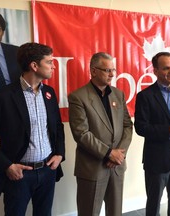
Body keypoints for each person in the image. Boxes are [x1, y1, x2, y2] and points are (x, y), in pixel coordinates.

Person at [0, 42, 65, 216]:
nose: (53, 66)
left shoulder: (49, 92)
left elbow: (57, 126)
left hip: (48, 171)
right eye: (49, 62)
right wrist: (7, 166)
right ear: (34, 65)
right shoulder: (2, 96)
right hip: (19, 176)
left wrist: (60, 154)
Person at [68, 52, 133, 216]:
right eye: (107, 70)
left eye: (113, 70)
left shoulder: (118, 94)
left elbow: (127, 126)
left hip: (116, 166)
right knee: (89, 212)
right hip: (92, 167)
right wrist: (109, 153)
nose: (111, 74)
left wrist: (119, 155)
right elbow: (81, 133)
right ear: (93, 71)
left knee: (115, 212)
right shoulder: (78, 97)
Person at [134, 52, 170, 216]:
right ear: (155, 71)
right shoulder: (145, 96)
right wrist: (169, 130)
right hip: (157, 158)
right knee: (154, 204)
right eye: (166, 68)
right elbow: (141, 127)